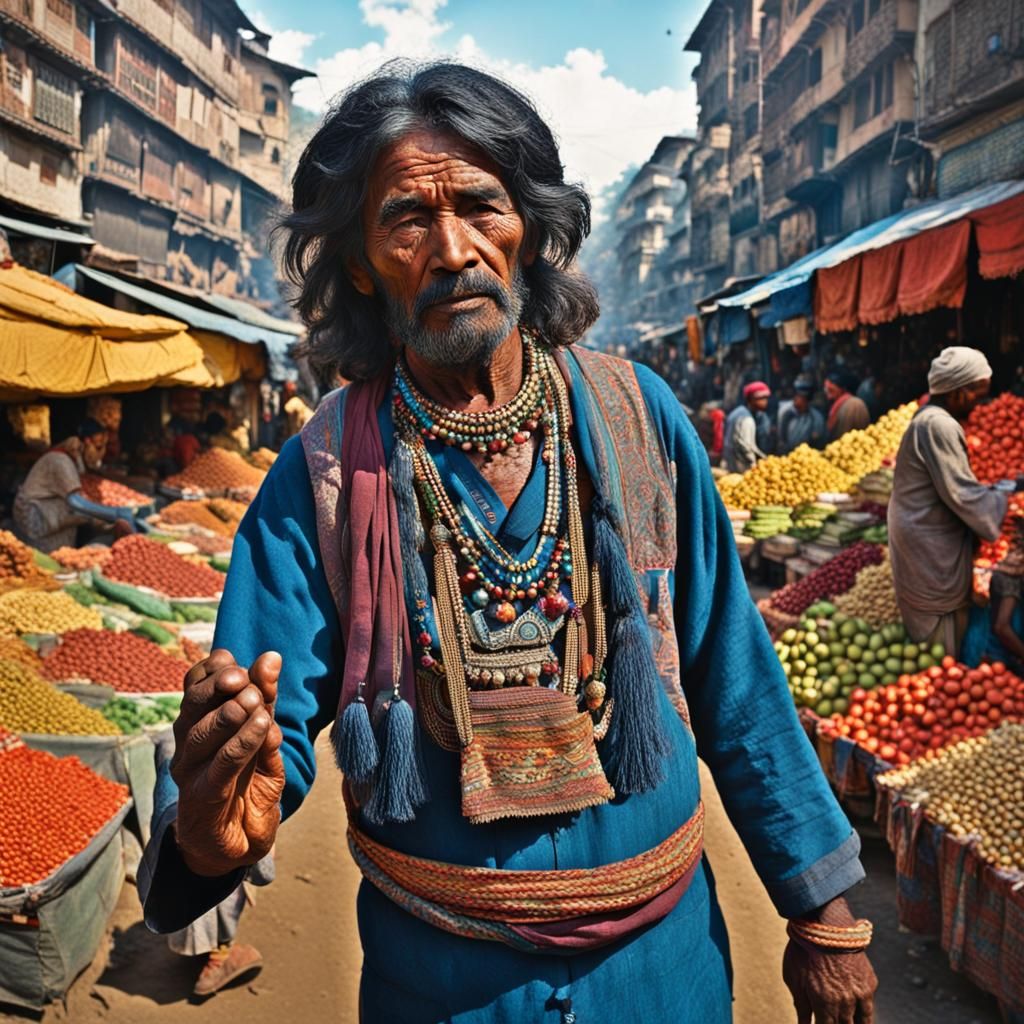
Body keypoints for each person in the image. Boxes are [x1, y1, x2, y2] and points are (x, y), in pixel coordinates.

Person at [138, 62, 876, 1024]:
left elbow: (736, 679)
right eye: (407, 219)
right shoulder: (322, 473)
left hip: (663, 977)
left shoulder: (637, 418)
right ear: (360, 263)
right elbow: (253, 737)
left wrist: (822, 912)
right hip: (441, 989)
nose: (453, 250)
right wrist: (207, 836)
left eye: (483, 206)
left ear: (527, 231)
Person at [889, 347, 1019, 657]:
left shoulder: (929, 417)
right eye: (977, 394)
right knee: (939, 632)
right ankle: (937, 679)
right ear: (958, 392)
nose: (979, 404)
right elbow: (962, 494)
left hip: (921, 532)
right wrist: (1003, 497)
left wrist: (998, 489)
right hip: (927, 542)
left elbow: (954, 485)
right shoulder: (939, 425)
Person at [12, 418, 138, 552]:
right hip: (39, 518)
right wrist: (116, 513)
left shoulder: (76, 460)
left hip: (56, 518)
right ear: (86, 442)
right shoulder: (60, 461)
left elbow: (82, 500)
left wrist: (108, 524)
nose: (102, 452)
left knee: (65, 556)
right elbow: (76, 502)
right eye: (99, 447)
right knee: (49, 562)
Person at [722, 381, 772, 473]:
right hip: (740, 465)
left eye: (766, 398)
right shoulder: (746, 419)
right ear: (750, 399)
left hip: (730, 461)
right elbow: (746, 447)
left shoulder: (738, 411)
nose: (765, 402)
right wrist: (756, 463)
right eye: (761, 398)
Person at [778, 375, 827, 454]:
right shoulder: (785, 411)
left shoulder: (816, 417)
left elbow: (819, 439)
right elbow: (780, 437)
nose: (797, 399)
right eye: (797, 396)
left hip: (806, 456)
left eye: (803, 398)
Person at [824, 368, 871, 440]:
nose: (828, 394)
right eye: (827, 389)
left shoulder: (854, 404)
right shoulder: (834, 405)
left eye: (831, 390)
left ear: (843, 388)